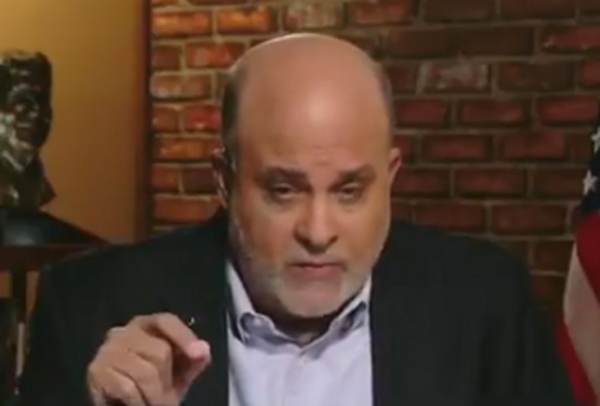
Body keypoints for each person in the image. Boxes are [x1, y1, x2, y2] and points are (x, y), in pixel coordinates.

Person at [17, 34, 574, 406]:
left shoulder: (486, 305)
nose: (318, 231)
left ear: (390, 177)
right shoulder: (90, 308)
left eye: (350, 191)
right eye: (283, 191)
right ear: (224, 180)